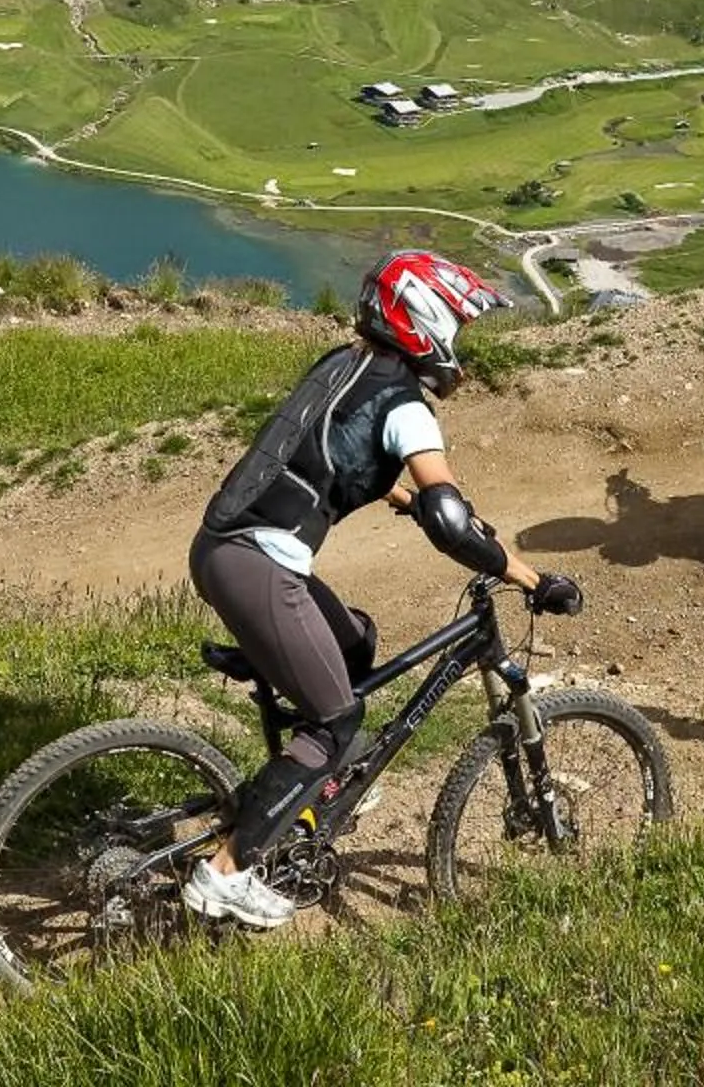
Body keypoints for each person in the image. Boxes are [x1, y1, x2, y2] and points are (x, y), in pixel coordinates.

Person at [183, 248, 581, 930]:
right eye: (459, 325)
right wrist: (529, 577)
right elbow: (451, 521)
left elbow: (322, 451)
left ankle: (312, 791)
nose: (462, 343)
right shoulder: (406, 406)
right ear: (427, 323)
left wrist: (398, 495)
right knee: (336, 720)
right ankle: (226, 874)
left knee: (355, 642)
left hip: (224, 550)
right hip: (260, 566)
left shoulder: (345, 364)